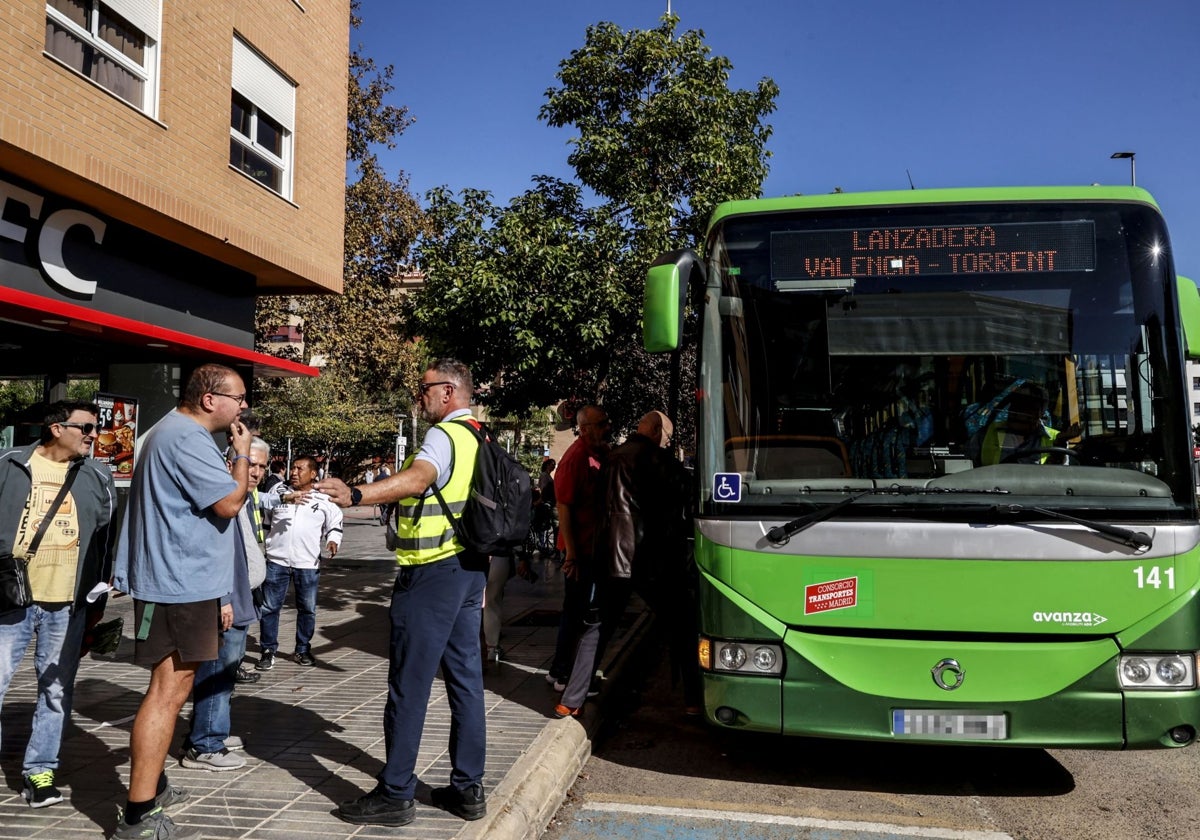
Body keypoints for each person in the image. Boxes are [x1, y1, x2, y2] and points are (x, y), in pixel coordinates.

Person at [315, 358, 489, 828]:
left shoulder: (444, 435)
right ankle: (468, 789)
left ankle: (395, 793)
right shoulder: (479, 435)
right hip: (470, 570)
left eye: (425, 389)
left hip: (431, 572)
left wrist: (357, 494)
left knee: (409, 686)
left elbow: (419, 479)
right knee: (466, 682)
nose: (420, 397)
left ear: (449, 392)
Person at [109, 363, 253, 840]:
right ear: (210, 399)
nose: (243, 406)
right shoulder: (187, 439)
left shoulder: (171, 433)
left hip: (180, 583)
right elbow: (229, 503)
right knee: (167, 694)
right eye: (238, 397)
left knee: (172, 691)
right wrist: (243, 455)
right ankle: (139, 813)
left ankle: (152, 786)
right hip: (179, 585)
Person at [0, 401, 116, 808]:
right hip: (9, 599)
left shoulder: (99, 477)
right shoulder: (8, 464)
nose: (92, 434)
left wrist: (99, 596)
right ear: (54, 428)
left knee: (55, 690)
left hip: (67, 603)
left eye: (94, 427)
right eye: (84, 427)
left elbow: (105, 541)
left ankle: (40, 771)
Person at [555, 411, 696, 717]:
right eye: (667, 437)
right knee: (682, 625)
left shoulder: (612, 458)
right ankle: (694, 699)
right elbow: (681, 508)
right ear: (658, 432)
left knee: (597, 627)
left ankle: (571, 699)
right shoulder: (663, 464)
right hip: (649, 558)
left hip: (611, 557)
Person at [180, 437, 270, 770]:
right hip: (226, 598)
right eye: (250, 463)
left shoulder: (246, 497)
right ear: (230, 464)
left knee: (228, 671)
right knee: (217, 670)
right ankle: (205, 743)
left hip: (242, 596)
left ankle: (214, 730)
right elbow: (213, 554)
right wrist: (224, 599)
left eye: (261, 466)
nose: (256, 471)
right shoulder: (224, 499)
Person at [255, 455, 342, 670]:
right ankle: (267, 650)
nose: (294, 472)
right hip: (276, 561)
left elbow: (334, 522)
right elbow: (266, 520)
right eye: (292, 467)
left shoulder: (324, 498)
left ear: (313, 474)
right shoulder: (278, 492)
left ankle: (302, 649)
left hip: (307, 563)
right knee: (269, 608)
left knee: (307, 609)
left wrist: (333, 540)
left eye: (300, 468)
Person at [546, 405, 610, 691]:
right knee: (576, 612)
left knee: (581, 610)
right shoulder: (575, 458)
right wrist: (571, 552)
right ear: (584, 428)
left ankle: (559, 670)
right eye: (601, 423)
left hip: (590, 548)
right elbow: (564, 508)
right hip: (579, 552)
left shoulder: (598, 454)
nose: (607, 427)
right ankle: (564, 675)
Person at [979, 383, 1079, 465]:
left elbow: (1056, 476)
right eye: (1014, 405)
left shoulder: (1054, 437)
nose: (1014, 412)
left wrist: (1060, 443)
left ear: (1038, 413)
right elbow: (969, 461)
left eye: (1023, 408)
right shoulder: (991, 431)